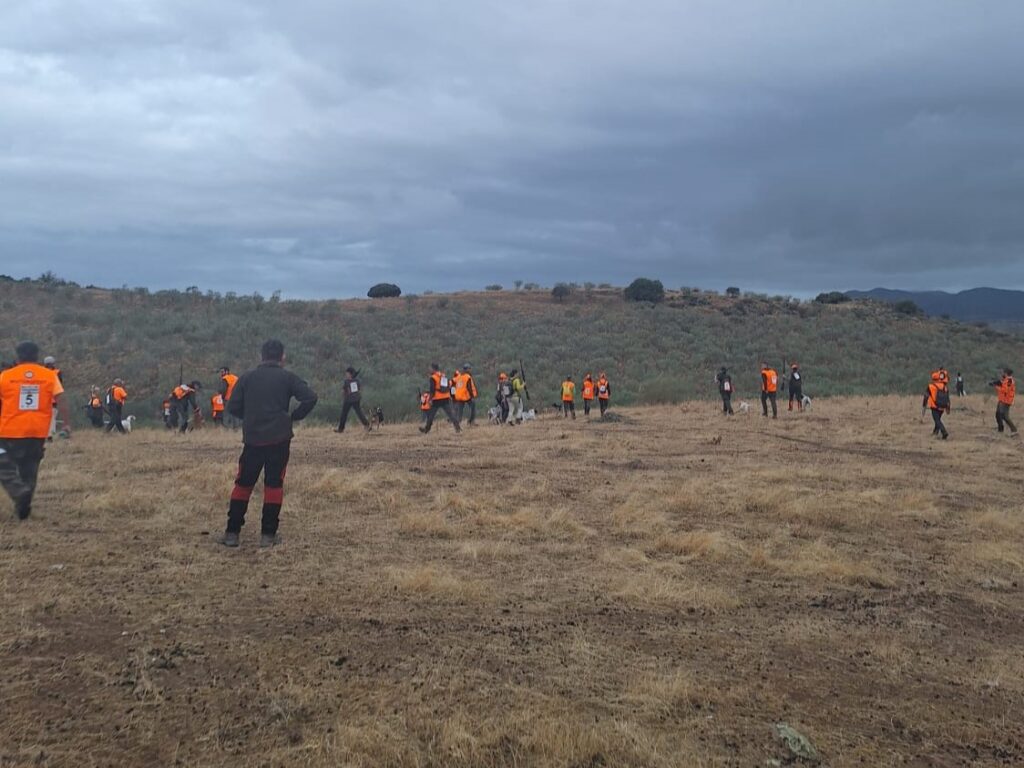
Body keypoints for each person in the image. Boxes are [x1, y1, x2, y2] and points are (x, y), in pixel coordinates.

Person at [222, 339, 318, 548]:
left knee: (243, 483)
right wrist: (293, 417)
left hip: (253, 439)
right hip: (279, 439)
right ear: (282, 357)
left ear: (261, 356)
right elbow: (310, 397)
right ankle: (268, 535)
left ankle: (232, 533)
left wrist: (249, 417)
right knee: (274, 484)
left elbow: (232, 407)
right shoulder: (288, 377)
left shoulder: (247, 378)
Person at [0, 341, 70, 520]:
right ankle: (23, 508)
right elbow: (61, 399)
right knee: (30, 470)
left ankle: (18, 491)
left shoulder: (6, 376)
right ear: (37, 357)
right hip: (38, 431)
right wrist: (66, 424)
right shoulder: (49, 376)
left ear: (18, 356)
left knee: (4, 465)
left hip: (10, 430)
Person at [419, 363, 461, 434]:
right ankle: (458, 428)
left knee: (431, 415)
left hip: (437, 399)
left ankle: (426, 429)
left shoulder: (433, 378)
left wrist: (430, 399)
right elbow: (447, 386)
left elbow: (432, 390)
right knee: (451, 414)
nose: (429, 369)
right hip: (445, 397)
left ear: (433, 369)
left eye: (430, 368)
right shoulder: (442, 375)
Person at [335, 366, 370, 432]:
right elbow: (359, 389)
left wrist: (343, 395)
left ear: (350, 374)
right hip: (356, 399)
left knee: (344, 414)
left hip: (348, 400)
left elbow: (343, 391)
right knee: (359, 412)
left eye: (347, 373)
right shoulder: (357, 381)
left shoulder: (347, 381)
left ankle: (340, 429)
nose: (346, 375)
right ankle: (367, 425)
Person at [989, 368, 1018, 436]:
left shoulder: (1009, 380)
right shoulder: (1007, 380)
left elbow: (1005, 390)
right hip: (1002, 400)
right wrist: (997, 383)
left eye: (1003, 372)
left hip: (1006, 401)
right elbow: (1003, 384)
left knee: (1004, 416)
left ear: (1006, 373)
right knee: (998, 414)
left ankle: (1014, 430)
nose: (1002, 374)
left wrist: (996, 386)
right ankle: (1001, 429)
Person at [923, 371, 950, 439]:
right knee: (938, 419)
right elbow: (947, 398)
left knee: (937, 420)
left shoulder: (931, 386)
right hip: (942, 406)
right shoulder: (945, 387)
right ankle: (935, 432)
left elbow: (926, 396)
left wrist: (924, 405)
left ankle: (944, 432)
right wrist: (948, 408)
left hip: (934, 406)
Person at [43, 356, 63, 439]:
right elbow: (60, 385)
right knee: (52, 417)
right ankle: (50, 434)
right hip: (53, 399)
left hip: (43, 399)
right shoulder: (57, 372)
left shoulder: (41, 372)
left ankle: (45, 434)